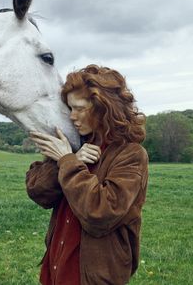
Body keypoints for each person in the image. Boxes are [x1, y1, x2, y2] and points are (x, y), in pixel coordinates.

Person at [26, 64, 148, 285]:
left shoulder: (131, 154)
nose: (72, 117)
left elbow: (100, 212)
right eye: (69, 108)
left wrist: (68, 162)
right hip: (55, 268)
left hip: (94, 277)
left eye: (79, 108)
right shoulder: (75, 146)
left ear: (104, 108)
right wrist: (64, 161)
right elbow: (37, 191)